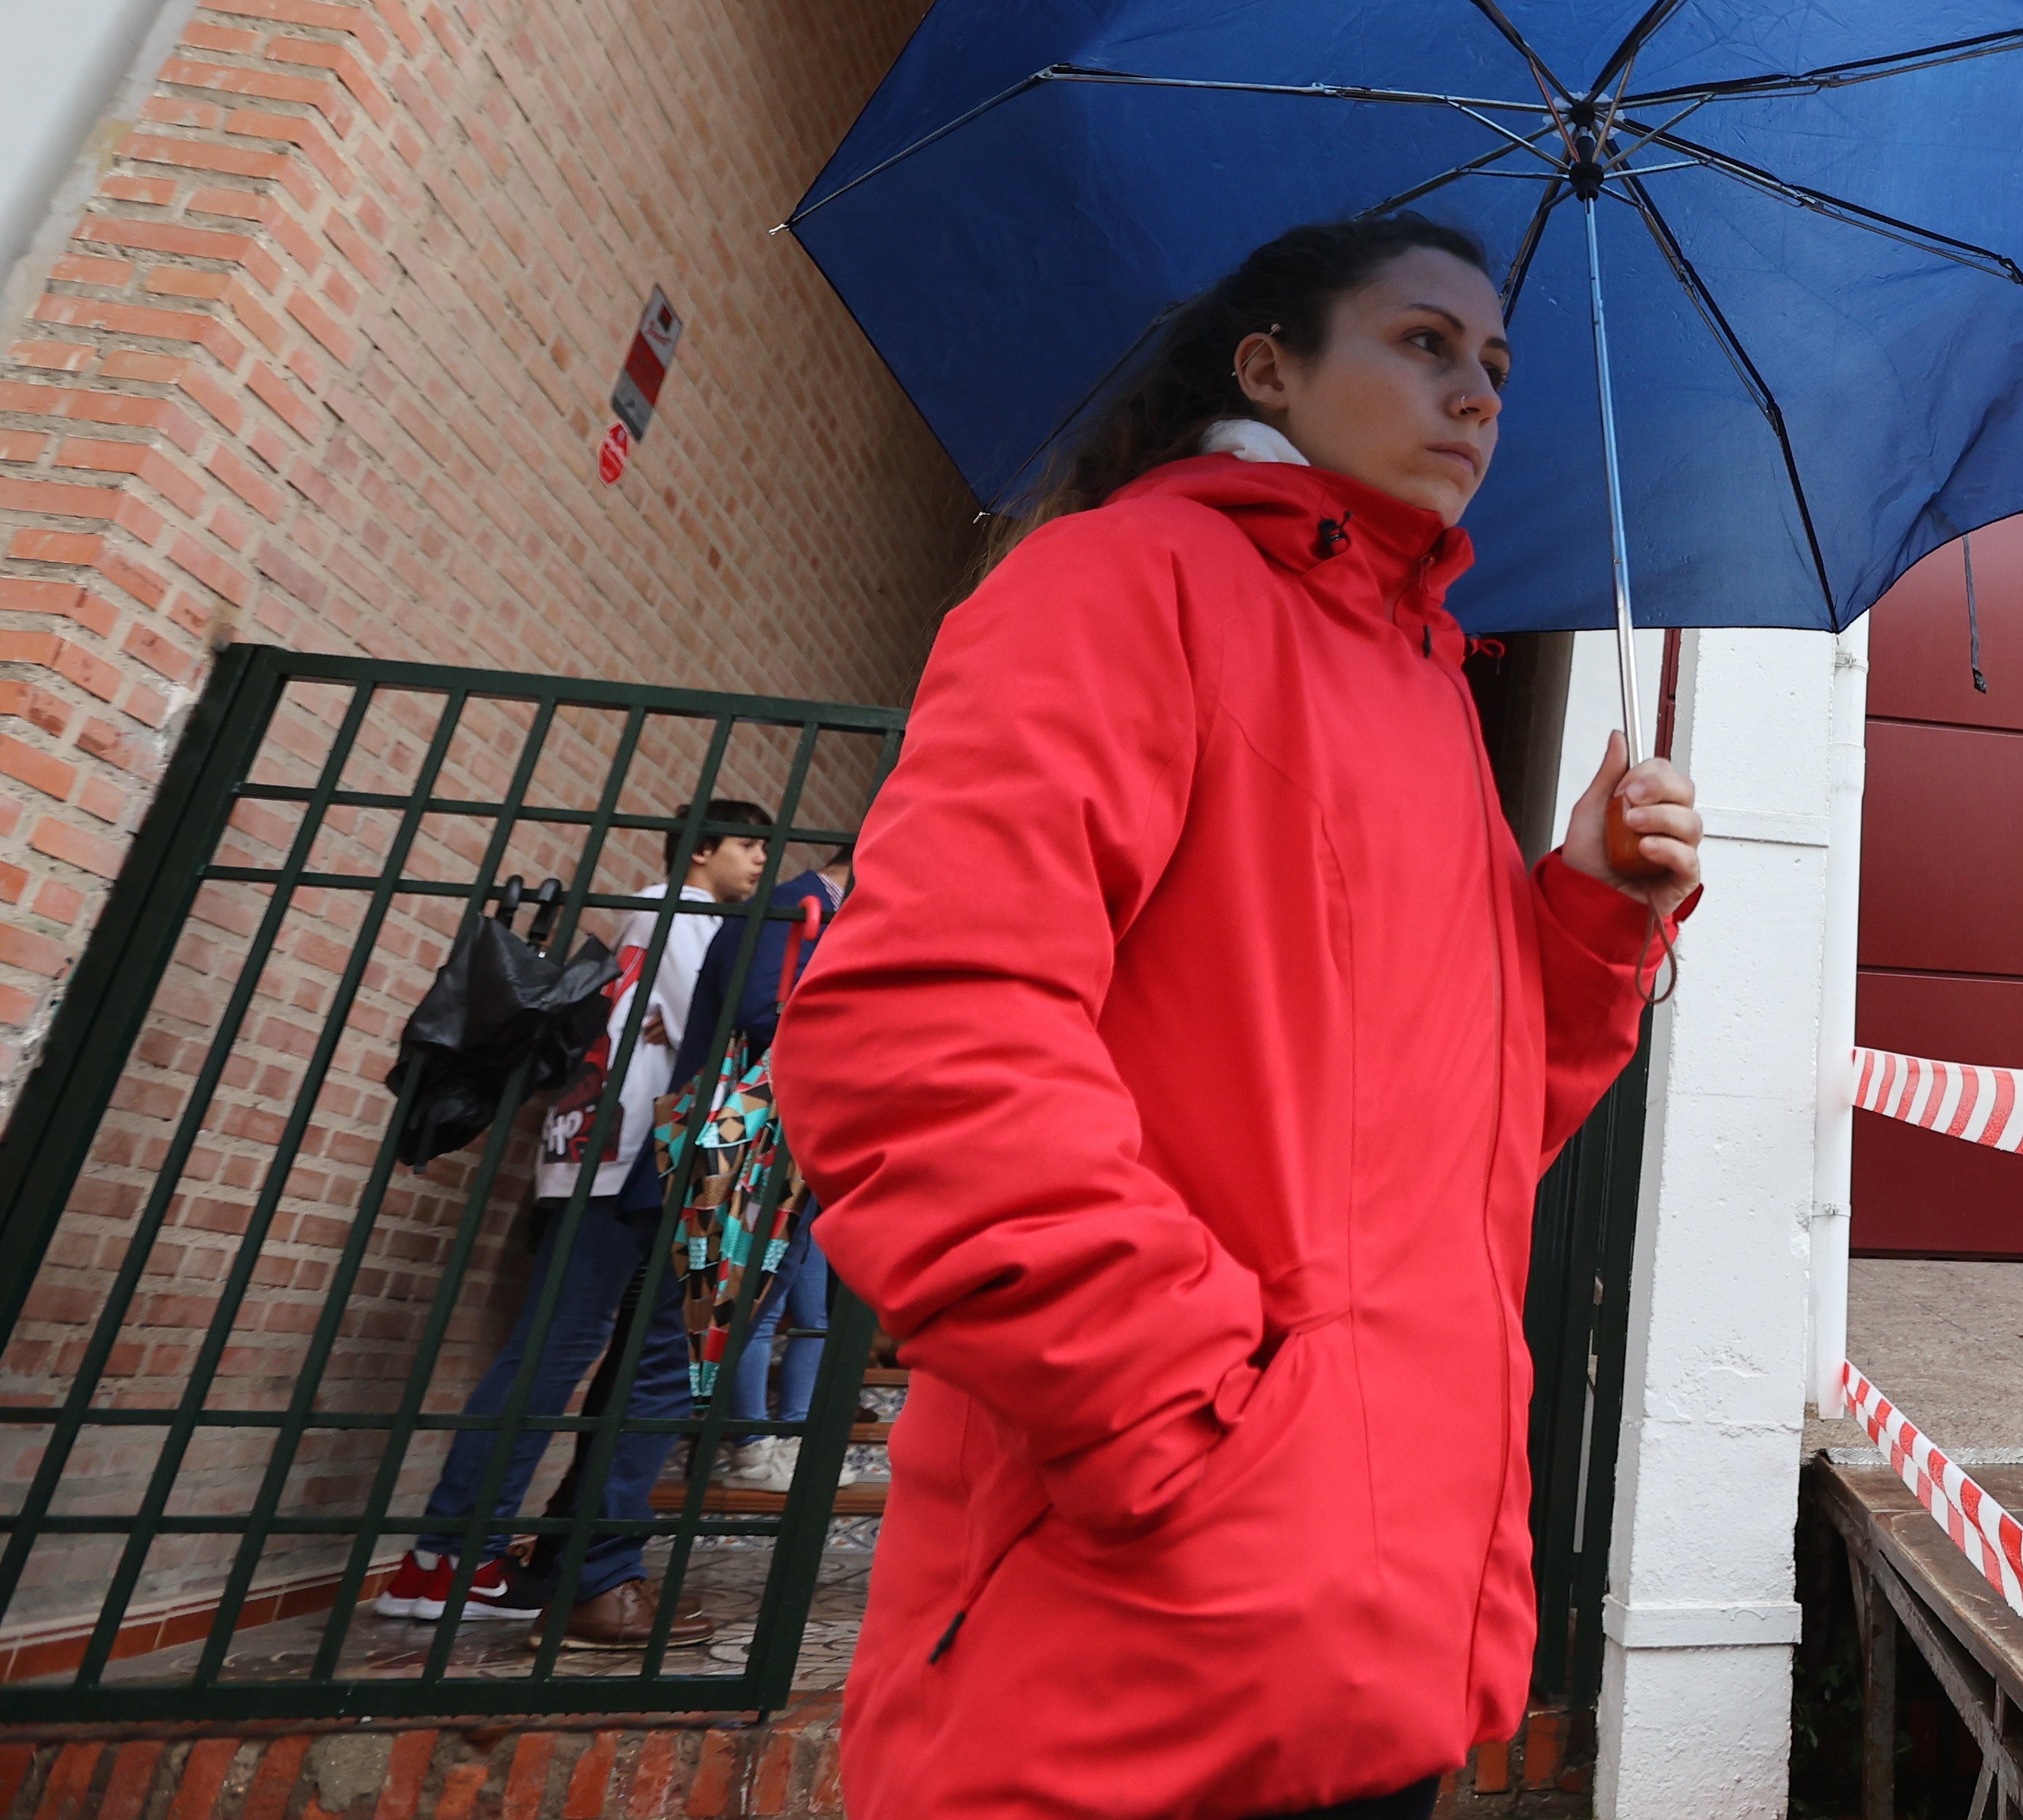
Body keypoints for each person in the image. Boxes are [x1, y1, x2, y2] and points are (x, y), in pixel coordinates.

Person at [775, 213, 1701, 1820]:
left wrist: (1592, 907)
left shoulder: (1422, 691)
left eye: (1494, 365)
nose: (1479, 395)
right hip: (1141, 1653)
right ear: (1269, 366)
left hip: (1381, 1648)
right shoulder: (1123, 584)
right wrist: (1187, 1427)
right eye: (1424, 343)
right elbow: (920, 1039)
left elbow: (1451, 1134)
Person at [379, 803, 775, 1645]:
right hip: (629, 1155)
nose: (758, 865)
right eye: (748, 846)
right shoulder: (692, 918)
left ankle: (454, 1557)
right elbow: (720, 1028)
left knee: (557, 1352)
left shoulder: (647, 909)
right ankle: (457, 1557)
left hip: (589, 1151)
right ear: (701, 849)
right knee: (560, 1356)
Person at [708, 852, 847, 1491]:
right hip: (768, 1133)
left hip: (819, 1140)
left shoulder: (845, 916)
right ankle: (752, 1446)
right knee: (759, 1298)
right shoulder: (799, 906)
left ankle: (791, 1441)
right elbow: (767, 1014)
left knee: (815, 1310)